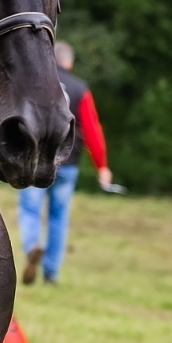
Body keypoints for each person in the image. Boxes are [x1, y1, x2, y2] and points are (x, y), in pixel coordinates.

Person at [19, 40, 114, 285]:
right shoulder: (79, 89)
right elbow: (92, 129)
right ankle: (51, 273)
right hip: (67, 163)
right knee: (58, 217)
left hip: (35, 160)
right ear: (69, 62)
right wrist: (101, 166)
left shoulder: (35, 84)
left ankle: (31, 246)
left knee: (30, 209)